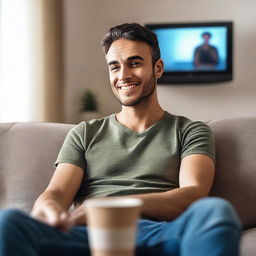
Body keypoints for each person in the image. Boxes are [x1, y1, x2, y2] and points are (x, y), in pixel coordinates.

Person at [0, 23, 241, 256]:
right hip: (89, 236)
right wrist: (50, 209)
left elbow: (193, 195)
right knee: (10, 221)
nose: (123, 75)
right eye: (114, 67)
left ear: (157, 68)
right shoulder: (84, 133)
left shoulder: (190, 130)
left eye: (134, 64)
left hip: (160, 234)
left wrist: (110, 208)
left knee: (215, 212)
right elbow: (56, 193)